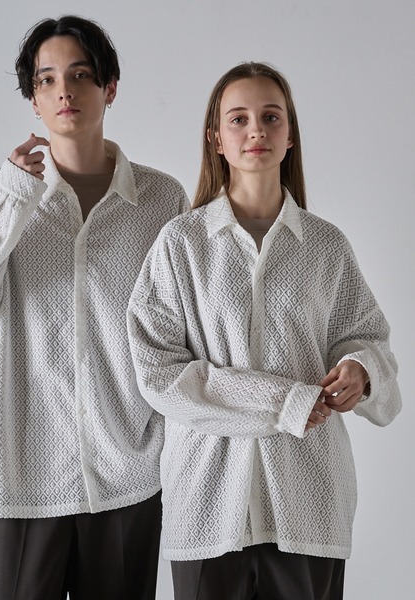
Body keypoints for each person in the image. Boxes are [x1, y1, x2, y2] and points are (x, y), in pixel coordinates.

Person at [0, 15, 188, 600]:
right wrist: (13, 201)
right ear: (33, 100)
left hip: (129, 475)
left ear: (110, 88)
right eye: (46, 80)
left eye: (81, 75)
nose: (64, 90)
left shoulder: (161, 199)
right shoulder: (0, 192)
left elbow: (183, 332)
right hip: (24, 476)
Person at [127, 62, 401, 599]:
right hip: (206, 504)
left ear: (290, 133)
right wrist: (283, 402)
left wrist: (361, 369)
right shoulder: (181, 244)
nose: (256, 130)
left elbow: (369, 340)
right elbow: (159, 374)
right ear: (216, 139)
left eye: (271, 117)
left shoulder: (325, 245)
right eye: (239, 119)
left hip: (310, 501)